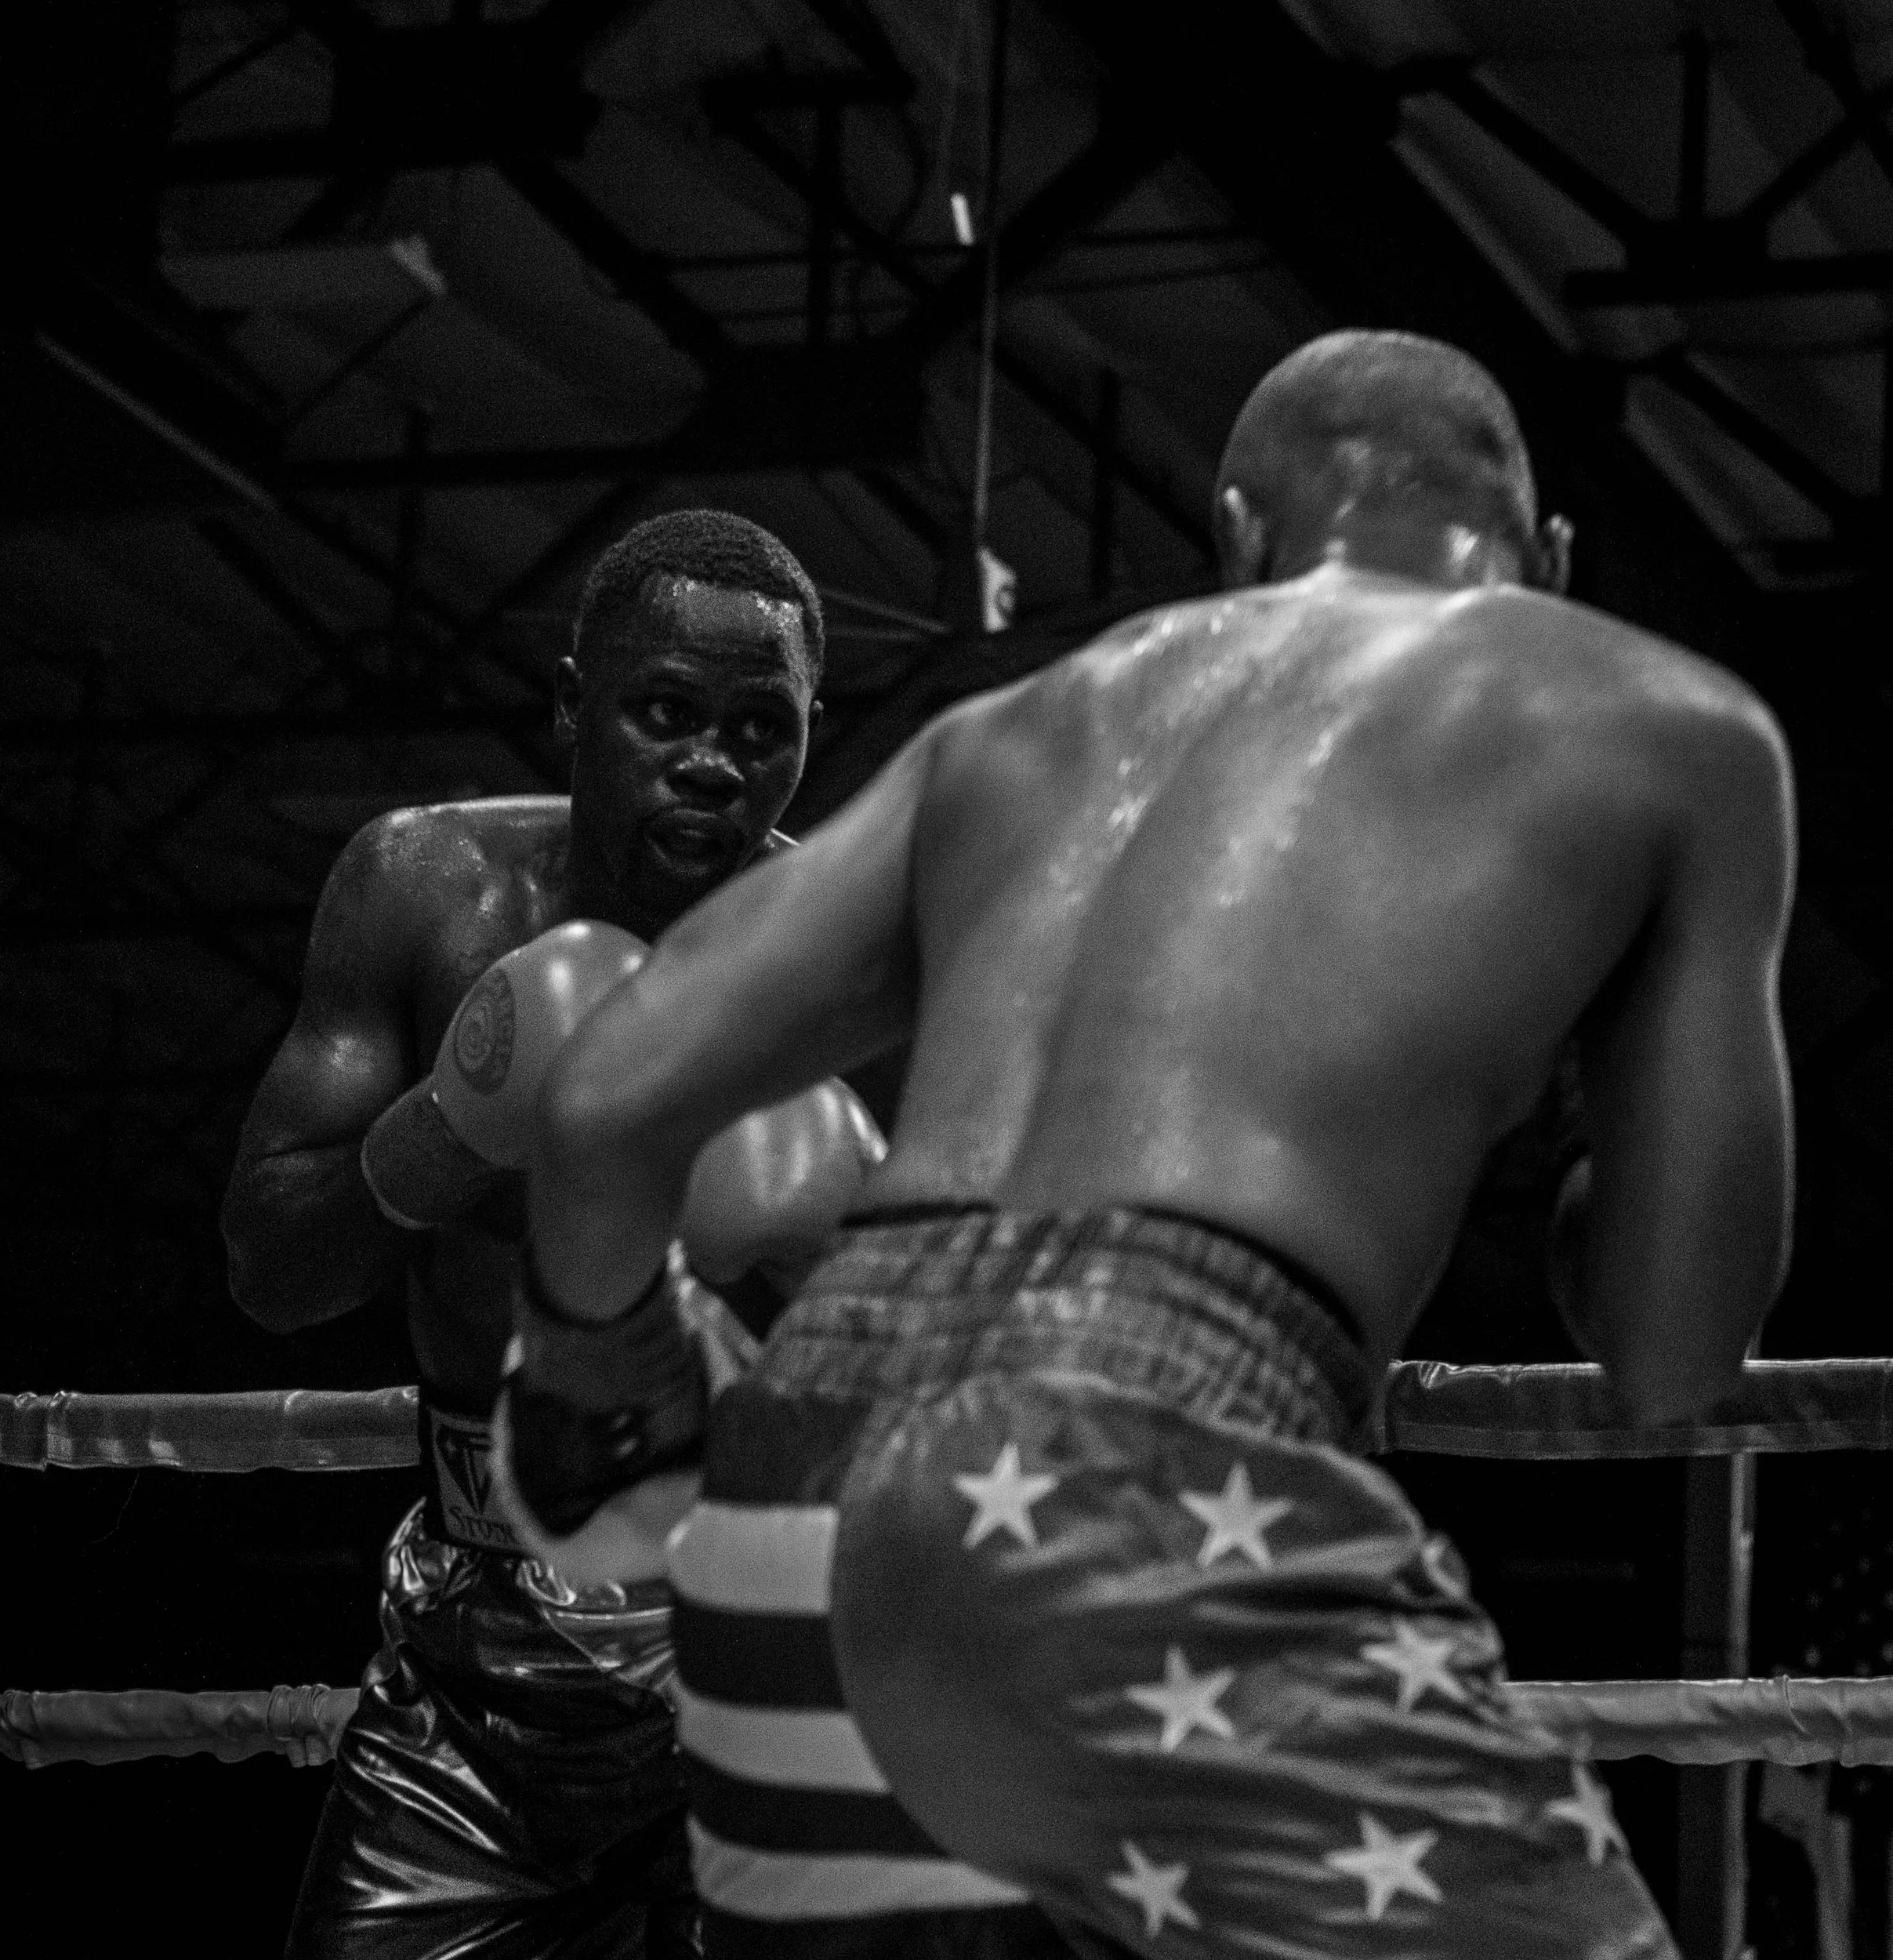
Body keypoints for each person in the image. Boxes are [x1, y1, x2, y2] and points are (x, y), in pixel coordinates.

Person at [502, 332, 1797, 1960]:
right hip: (1137, 1473)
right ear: (1540, 559)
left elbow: (603, 1097)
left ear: (1238, 531)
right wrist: (1588, 1196)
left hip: (795, 1515)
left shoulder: (1008, 731)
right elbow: (1672, 1352)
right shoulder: (1665, 722)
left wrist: (597, 1380)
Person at [223, 509, 856, 1959]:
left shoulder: (843, 960)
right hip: (470, 1675)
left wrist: (818, 1248)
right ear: (572, 705)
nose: (715, 764)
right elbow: (268, 1272)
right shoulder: (422, 892)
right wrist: (454, 1125)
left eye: (765, 725)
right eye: (667, 711)